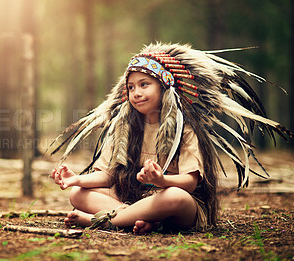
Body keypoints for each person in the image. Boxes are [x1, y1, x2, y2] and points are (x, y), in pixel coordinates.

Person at [49, 43, 293, 234]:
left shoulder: (184, 129)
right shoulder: (122, 129)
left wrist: (161, 179)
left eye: (144, 84)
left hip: (177, 206)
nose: (136, 93)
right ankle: (136, 218)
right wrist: (76, 179)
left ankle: (101, 221)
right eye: (131, 87)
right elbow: (109, 174)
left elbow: (189, 183)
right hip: (134, 199)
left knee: (175, 196)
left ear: (164, 87)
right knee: (77, 194)